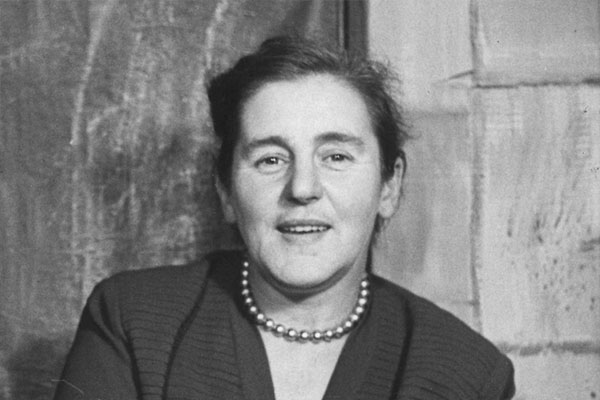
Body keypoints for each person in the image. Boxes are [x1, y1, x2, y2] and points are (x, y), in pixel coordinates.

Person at [53, 36, 515, 400]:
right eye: (270, 160)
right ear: (226, 192)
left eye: (336, 156)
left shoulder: (465, 374)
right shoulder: (133, 323)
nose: (302, 188)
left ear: (389, 187)